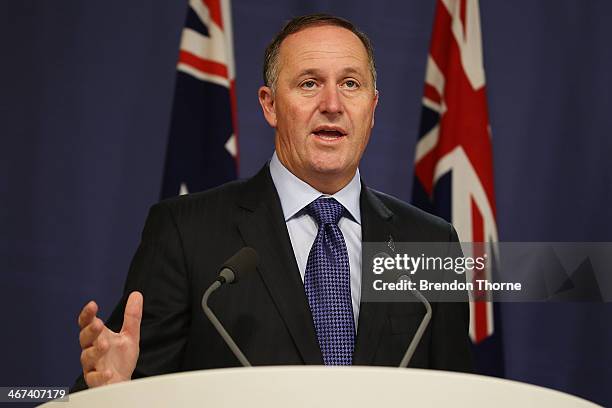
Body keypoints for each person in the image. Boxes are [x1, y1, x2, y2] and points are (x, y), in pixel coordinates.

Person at [74, 13, 471, 391]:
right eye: (309, 83)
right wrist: (115, 392)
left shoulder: (431, 243)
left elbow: (457, 394)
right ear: (269, 105)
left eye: (351, 84)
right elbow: (118, 382)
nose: (333, 104)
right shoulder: (186, 232)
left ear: (372, 108)